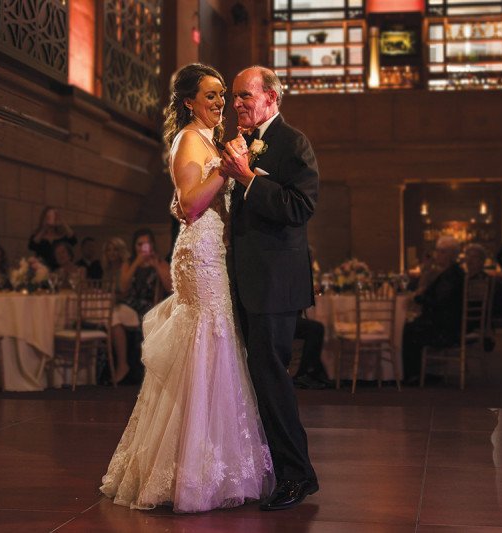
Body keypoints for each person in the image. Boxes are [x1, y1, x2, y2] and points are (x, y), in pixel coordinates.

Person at [100, 63, 274, 513]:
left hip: (216, 251)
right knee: (206, 344)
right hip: (199, 254)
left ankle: (212, 462)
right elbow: (192, 204)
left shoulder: (211, 140)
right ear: (189, 102)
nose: (220, 103)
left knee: (217, 348)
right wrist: (232, 165)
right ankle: (189, 472)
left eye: (223, 96)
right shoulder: (188, 140)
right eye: (212, 95)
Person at [220, 65, 319, 510]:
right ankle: (262, 468)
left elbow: (300, 207)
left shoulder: (292, 142)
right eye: (234, 96)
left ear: (271, 98)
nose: (236, 103)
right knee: (251, 379)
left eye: (245, 95)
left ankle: (297, 476)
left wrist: (247, 179)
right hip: (243, 281)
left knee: (272, 378)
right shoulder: (240, 143)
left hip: (275, 285)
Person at [401, 235, 465, 383]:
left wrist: (418, 299)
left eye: (442, 251)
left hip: (446, 327)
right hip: (447, 321)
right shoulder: (451, 272)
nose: (437, 255)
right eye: (437, 251)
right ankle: (415, 372)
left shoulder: (452, 275)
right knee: (412, 325)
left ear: (452, 254)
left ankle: (413, 375)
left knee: (409, 329)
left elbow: (439, 301)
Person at [101, 237, 134, 384]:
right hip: (113, 305)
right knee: (108, 315)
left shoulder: (125, 266)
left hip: (130, 305)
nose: (111, 253)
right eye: (108, 250)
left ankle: (122, 365)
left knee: (112, 317)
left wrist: (112, 296)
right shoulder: (107, 270)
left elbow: (125, 291)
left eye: (114, 249)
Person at [291, 313, 330, 390]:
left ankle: (313, 371)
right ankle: (305, 373)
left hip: (286, 315)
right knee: (315, 329)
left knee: (317, 328)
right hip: (278, 318)